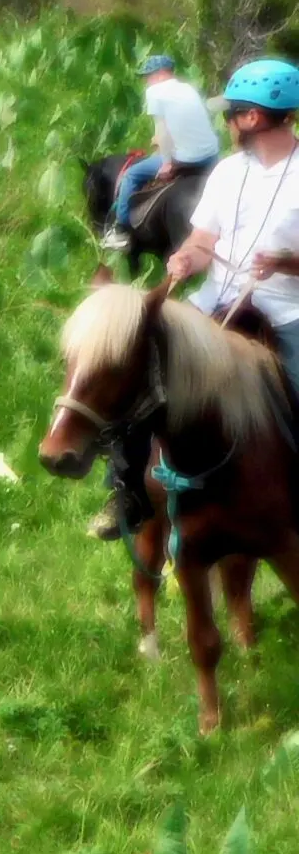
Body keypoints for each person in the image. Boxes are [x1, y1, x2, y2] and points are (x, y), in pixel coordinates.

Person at [95, 58, 299, 540]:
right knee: (138, 363)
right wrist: (187, 257)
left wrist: (286, 263)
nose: (225, 122)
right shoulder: (228, 171)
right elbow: (204, 239)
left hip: (289, 311)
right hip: (215, 301)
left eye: (231, 113)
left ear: (252, 118)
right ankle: (126, 488)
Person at [105, 53, 221, 251]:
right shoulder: (187, 88)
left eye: (147, 75)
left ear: (160, 74)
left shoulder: (156, 92)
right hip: (211, 155)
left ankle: (120, 229)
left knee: (131, 175)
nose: (146, 81)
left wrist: (167, 162)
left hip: (187, 159)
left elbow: (162, 131)